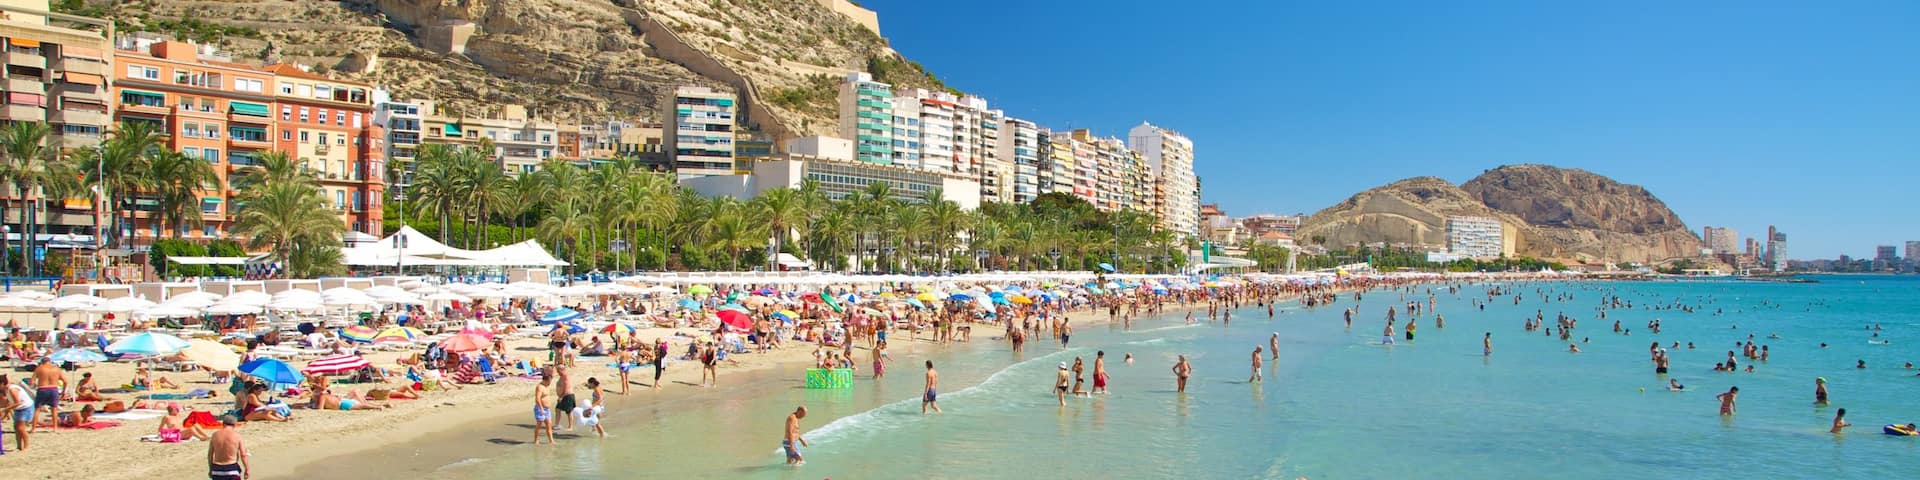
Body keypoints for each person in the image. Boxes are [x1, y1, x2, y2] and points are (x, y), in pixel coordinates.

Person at [207, 415, 248, 480]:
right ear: (234, 425)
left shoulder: (215, 435)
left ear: (223, 424)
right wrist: (247, 469)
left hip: (217, 470)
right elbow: (243, 455)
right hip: (231, 469)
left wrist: (211, 469)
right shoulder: (237, 436)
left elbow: (210, 455)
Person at [31, 358, 64, 431]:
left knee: (37, 409)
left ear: (42, 362)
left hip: (42, 388)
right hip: (53, 389)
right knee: (54, 409)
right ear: (50, 362)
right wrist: (63, 392)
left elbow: (32, 382)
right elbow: (65, 381)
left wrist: (35, 387)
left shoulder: (39, 369)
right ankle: (55, 428)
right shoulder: (57, 369)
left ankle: (33, 428)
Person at [4, 374, 31, 452]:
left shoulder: (12, 389)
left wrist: (5, 409)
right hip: (19, 408)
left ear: (2, 384)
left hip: (25, 407)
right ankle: (19, 447)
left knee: (21, 428)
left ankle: (26, 446)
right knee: (16, 427)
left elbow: (17, 402)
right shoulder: (6, 389)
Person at [532, 369, 554, 445]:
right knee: (539, 425)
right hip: (540, 408)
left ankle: (551, 441)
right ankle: (536, 440)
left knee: (549, 425)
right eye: (550, 381)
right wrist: (541, 408)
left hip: (547, 409)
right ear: (546, 380)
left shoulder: (546, 386)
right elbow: (537, 398)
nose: (550, 382)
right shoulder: (540, 387)